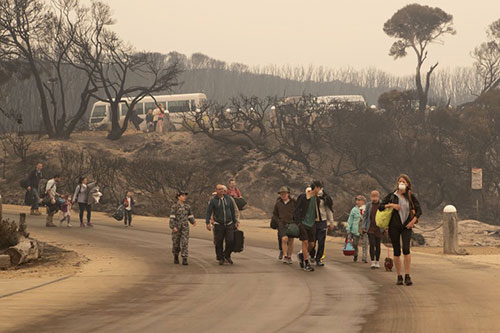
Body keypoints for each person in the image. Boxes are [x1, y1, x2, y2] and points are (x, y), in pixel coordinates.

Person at [379, 174, 422, 286]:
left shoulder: (411, 196)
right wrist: (391, 205)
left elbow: (419, 210)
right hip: (394, 226)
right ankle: (399, 275)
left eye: (404, 182)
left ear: (408, 184)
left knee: (406, 249)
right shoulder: (392, 196)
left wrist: (412, 222)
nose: (401, 183)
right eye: (400, 182)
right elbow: (380, 206)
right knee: (396, 250)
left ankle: (407, 275)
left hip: (406, 226)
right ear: (397, 184)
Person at [294, 180, 323, 272]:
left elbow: (316, 212)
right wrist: (298, 222)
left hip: (312, 224)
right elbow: (297, 209)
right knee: (305, 242)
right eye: (320, 188)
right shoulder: (303, 197)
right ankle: (306, 263)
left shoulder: (316, 199)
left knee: (312, 244)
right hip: (303, 223)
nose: (320, 190)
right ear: (317, 188)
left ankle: (302, 255)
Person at [206, 184, 238, 265]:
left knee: (230, 240)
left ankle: (227, 255)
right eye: (219, 189)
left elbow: (232, 211)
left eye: (222, 189)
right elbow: (208, 212)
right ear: (216, 190)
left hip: (229, 223)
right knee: (218, 242)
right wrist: (207, 222)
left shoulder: (229, 199)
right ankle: (220, 258)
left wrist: (235, 222)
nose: (221, 191)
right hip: (219, 224)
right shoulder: (213, 200)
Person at [169, 191, 196, 265]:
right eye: (183, 196)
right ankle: (176, 256)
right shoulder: (174, 206)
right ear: (178, 197)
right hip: (177, 227)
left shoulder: (187, 206)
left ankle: (184, 258)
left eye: (185, 196)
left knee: (185, 242)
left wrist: (193, 222)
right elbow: (172, 217)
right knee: (176, 243)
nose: (184, 197)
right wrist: (173, 226)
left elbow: (190, 215)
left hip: (185, 227)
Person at [309, 189, 335, 266]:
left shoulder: (325, 198)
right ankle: (312, 254)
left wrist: (331, 222)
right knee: (312, 241)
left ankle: (318, 259)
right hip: (313, 221)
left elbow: (328, 210)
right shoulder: (311, 197)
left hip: (322, 221)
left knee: (321, 242)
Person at [272, 186, 296, 264]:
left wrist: (296, 221)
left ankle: (289, 256)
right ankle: (285, 256)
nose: (283, 195)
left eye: (285, 193)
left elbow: (297, 212)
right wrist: (278, 221)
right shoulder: (278, 203)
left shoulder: (293, 202)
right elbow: (275, 214)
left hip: (291, 223)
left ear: (288, 194)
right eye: (282, 194)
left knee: (291, 240)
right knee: (284, 239)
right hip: (281, 224)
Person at [362, 190, 383, 269]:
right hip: (370, 227)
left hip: (379, 228)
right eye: (372, 196)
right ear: (370, 197)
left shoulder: (382, 204)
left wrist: (386, 227)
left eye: (375, 196)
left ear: (378, 196)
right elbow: (365, 216)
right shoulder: (368, 205)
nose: (374, 198)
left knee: (378, 245)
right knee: (372, 244)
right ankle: (372, 261)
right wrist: (364, 226)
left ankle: (377, 261)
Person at [346, 195, 366, 262]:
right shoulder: (354, 210)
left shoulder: (366, 209)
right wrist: (348, 229)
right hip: (355, 229)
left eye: (359, 200)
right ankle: (355, 255)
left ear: (363, 201)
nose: (357, 202)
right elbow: (350, 220)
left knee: (365, 244)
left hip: (364, 229)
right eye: (357, 200)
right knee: (355, 244)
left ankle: (364, 257)